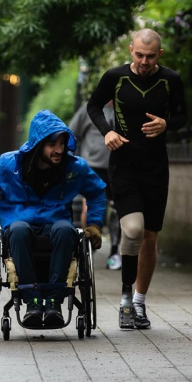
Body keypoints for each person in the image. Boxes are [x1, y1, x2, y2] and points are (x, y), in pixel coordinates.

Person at [87, 28, 187, 330]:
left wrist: (167, 123)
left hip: (156, 166)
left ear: (160, 54)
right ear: (131, 50)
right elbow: (94, 106)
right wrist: (109, 132)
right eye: (139, 55)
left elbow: (184, 116)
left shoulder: (171, 80)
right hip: (124, 164)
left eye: (150, 56)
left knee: (150, 237)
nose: (144, 61)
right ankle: (125, 298)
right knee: (132, 229)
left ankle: (139, 303)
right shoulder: (115, 77)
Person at [0, 109, 106, 329]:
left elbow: (97, 192)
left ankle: (54, 301)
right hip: (19, 226)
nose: (59, 150)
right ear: (38, 144)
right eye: (53, 145)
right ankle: (32, 300)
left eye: (62, 144)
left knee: (65, 229)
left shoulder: (74, 167)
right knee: (19, 229)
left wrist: (94, 224)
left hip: (56, 225)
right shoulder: (9, 165)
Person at [68, 100, 122, 270]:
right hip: (93, 165)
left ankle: (114, 251)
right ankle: (88, 246)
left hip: (117, 166)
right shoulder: (89, 108)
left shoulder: (124, 108)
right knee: (89, 207)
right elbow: (72, 132)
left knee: (117, 209)